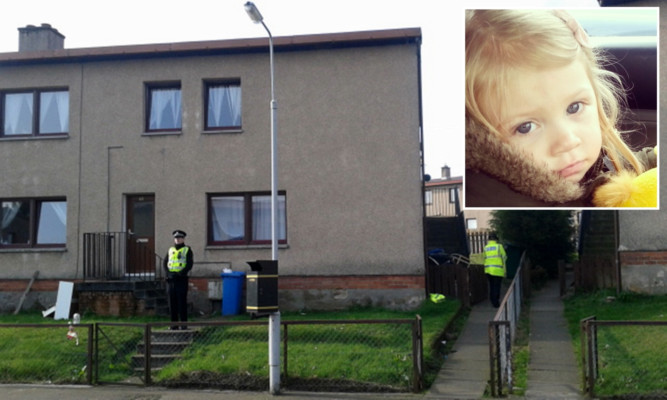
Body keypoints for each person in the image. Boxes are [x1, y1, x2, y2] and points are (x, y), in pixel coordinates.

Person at [465, 9, 657, 207]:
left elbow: (619, 170)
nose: (568, 141)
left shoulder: (591, 160)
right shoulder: (507, 201)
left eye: (574, 108)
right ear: (484, 141)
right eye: (525, 127)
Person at [163, 229, 193, 330]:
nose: (177, 240)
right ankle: (174, 325)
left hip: (181, 279)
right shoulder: (170, 250)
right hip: (171, 280)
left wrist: (180, 274)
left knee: (181, 302)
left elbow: (189, 264)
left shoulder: (187, 249)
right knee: (172, 303)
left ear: (183, 239)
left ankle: (184, 325)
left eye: (179, 238)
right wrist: (168, 273)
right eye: (176, 238)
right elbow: (165, 262)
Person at [484, 233, 506, 308]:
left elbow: (484, 258)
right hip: (497, 270)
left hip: (488, 270)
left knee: (491, 286)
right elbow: (504, 257)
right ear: (496, 239)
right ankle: (496, 303)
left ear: (489, 239)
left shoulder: (486, 248)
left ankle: (492, 300)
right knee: (497, 286)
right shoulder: (499, 247)